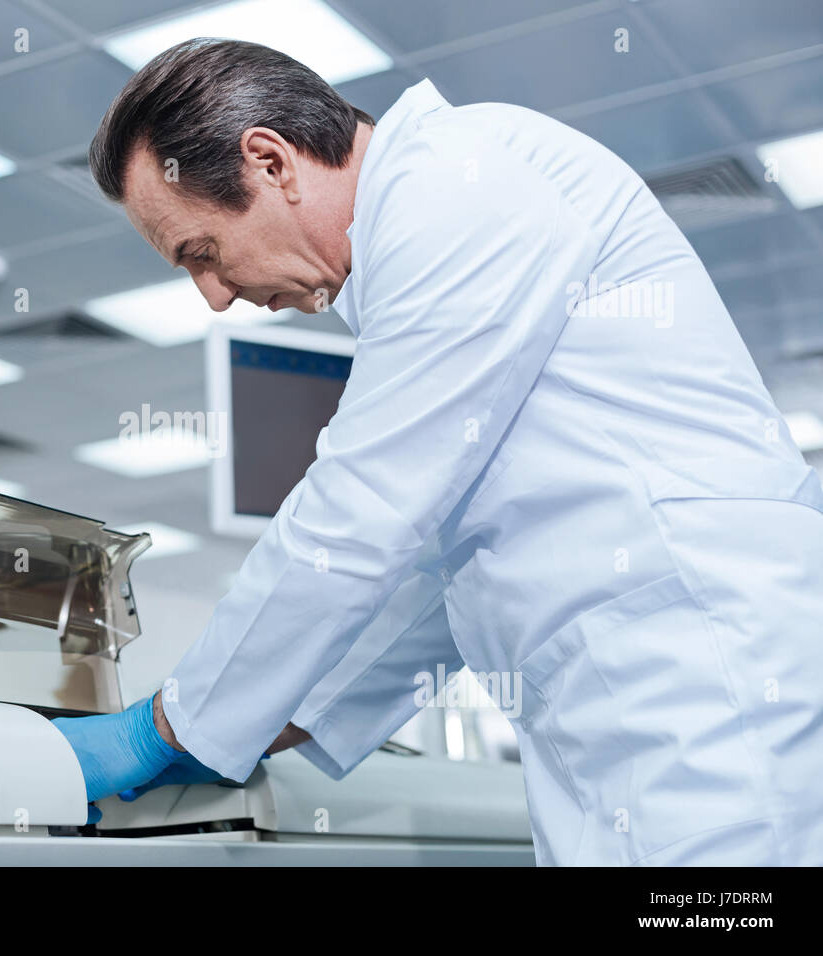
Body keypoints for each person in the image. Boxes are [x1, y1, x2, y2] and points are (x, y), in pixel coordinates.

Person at [53, 38, 823, 865]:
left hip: (709, 697)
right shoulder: (430, 234)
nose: (213, 296)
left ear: (270, 161)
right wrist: (248, 723)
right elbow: (433, 572)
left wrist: (170, 722)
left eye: (201, 253)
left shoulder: (463, 182)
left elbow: (361, 512)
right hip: (633, 722)